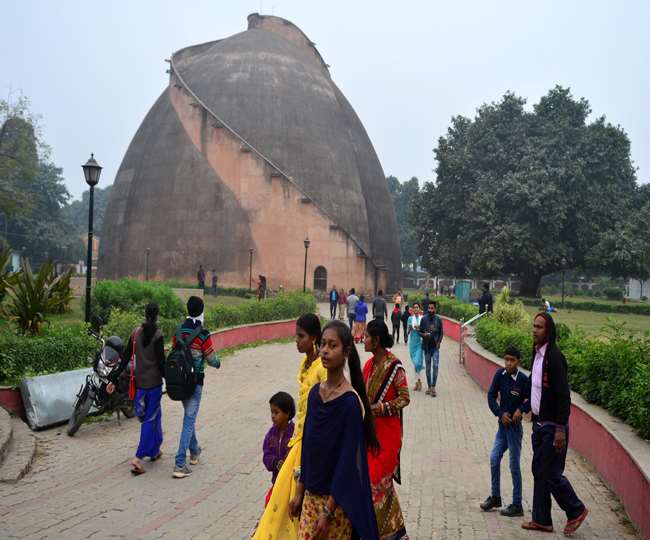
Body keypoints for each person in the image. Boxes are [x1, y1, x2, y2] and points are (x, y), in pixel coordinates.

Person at [289, 321, 379, 540]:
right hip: (311, 496)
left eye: (333, 345)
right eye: (322, 345)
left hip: (337, 503)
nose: (325, 350)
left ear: (346, 351)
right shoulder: (314, 394)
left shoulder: (349, 403)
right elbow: (308, 445)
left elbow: (347, 461)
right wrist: (300, 491)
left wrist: (328, 510)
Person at [253, 313, 328, 540]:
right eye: (296, 336)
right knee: (283, 496)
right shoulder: (305, 364)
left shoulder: (321, 368)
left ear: (313, 337)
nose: (296, 340)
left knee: (294, 496)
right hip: (298, 438)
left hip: (311, 441)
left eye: (301, 336)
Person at [521, 313, 589, 535]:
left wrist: (561, 428)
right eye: (533, 326)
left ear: (548, 331)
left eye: (539, 327)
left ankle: (575, 509)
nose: (534, 330)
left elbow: (563, 395)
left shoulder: (555, 357)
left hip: (553, 427)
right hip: (539, 424)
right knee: (539, 471)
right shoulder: (537, 354)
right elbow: (536, 384)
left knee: (550, 473)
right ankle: (542, 520)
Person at [363, 320, 410, 539]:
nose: (363, 339)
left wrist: (383, 407)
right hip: (369, 435)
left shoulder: (395, 367)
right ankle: (392, 532)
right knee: (376, 486)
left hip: (388, 435)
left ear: (377, 340)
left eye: (367, 336)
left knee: (377, 481)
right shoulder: (368, 366)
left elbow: (405, 398)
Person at [108, 302, 165, 475]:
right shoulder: (158, 335)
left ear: (145, 313)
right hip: (154, 385)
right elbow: (162, 363)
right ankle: (138, 459)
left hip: (140, 385)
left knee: (156, 415)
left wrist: (113, 378)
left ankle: (155, 450)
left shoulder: (135, 333)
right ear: (157, 315)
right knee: (150, 419)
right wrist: (171, 382)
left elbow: (124, 359)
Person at [172, 296, 221, 478]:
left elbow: (174, 350)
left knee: (189, 416)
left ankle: (194, 451)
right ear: (201, 311)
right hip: (195, 382)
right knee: (189, 419)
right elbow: (211, 358)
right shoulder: (203, 334)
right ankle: (179, 464)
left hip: (179, 381)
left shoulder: (178, 330)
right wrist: (218, 363)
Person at [480, 345, 530, 517]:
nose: (508, 363)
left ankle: (517, 505)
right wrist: (500, 414)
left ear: (518, 361)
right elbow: (491, 396)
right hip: (502, 427)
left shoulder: (523, 379)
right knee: (494, 458)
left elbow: (530, 398)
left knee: (514, 465)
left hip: (514, 430)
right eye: (506, 359)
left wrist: (521, 409)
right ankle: (495, 497)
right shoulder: (499, 375)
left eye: (512, 360)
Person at [263, 391, 296, 506]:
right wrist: (276, 462)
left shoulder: (294, 434)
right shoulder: (271, 434)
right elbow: (266, 455)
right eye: (271, 412)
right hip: (276, 481)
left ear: (287, 414)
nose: (273, 416)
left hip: (292, 485)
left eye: (276, 412)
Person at [420, 301, 443, 397]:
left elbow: (441, 333)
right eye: (429, 308)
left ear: (435, 309)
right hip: (426, 347)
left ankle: (433, 387)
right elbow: (420, 332)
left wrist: (439, 342)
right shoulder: (424, 319)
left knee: (436, 366)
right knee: (428, 368)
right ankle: (429, 387)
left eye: (432, 308)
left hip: (435, 348)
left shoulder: (438, 320)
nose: (430, 310)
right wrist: (423, 334)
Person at [407, 303, 424, 391]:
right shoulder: (410, 318)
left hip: (420, 343)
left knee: (418, 362)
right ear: (413, 309)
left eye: (417, 307)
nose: (416, 309)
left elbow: (425, 329)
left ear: (419, 309)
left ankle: (419, 381)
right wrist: (410, 328)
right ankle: (417, 382)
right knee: (415, 363)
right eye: (414, 308)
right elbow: (408, 332)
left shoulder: (422, 319)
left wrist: (420, 329)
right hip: (413, 343)